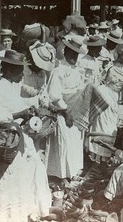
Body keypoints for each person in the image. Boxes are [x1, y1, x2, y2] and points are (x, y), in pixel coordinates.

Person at [0, 49, 52, 222]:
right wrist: (19, 114)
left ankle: (24, 214)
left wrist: (29, 109)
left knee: (28, 174)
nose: (23, 74)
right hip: (3, 142)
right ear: (10, 70)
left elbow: (15, 103)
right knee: (5, 185)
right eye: (20, 70)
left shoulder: (11, 87)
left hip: (16, 140)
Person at [43, 36, 86, 183]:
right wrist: (66, 111)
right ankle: (60, 175)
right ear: (65, 51)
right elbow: (54, 95)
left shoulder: (76, 69)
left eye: (76, 54)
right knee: (64, 142)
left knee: (75, 141)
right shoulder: (59, 70)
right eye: (71, 53)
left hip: (76, 109)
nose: (74, 57)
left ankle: (73, 171)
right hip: (63, 111)